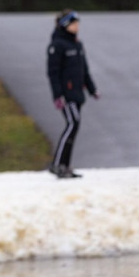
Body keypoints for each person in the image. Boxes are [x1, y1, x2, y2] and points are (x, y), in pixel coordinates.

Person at [46, 9, 99, 178]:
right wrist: (57, 95)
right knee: (72, 124)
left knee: (73, 127)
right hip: (66, 94)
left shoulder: (77, 44)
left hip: (77, 94)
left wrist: (92, 89)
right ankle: (57, 164)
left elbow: (84, 70)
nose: (77, 27)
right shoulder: (57, 46)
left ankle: (65, 166)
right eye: (74, 24)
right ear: (65, 25)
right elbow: (53, 73)